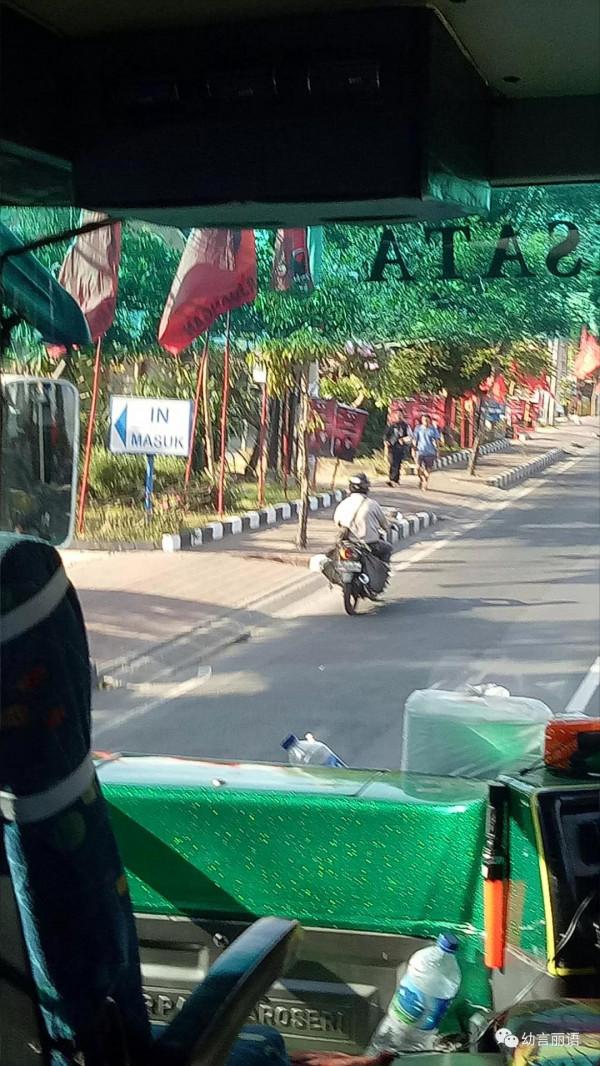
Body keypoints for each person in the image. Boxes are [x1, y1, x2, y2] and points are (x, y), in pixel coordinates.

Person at [333, 472, 392, 561]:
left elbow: (337, 522)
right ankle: (382, 573)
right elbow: (384, 524)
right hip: (370, 544)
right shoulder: (372, 504)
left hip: (348, 543)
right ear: (366, 488)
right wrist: (388, 528)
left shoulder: (343, 504)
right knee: (387, 549)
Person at [412, 414, 441, 491]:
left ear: (429, 421)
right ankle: (421, 479)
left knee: (428, 471)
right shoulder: (418, 429)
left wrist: (437, 451)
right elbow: (415, 439)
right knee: (417, 468)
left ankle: (425, 483)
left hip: (430, 452)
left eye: (427, 420)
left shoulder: (433, 429)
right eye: (424, 420)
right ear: (421, 420)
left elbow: (437, 440)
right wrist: (413, 449)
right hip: (420, 451)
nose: (425, 421)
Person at [384, 412, 411, 486]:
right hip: (392, 447)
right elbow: (386, 435)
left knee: (398, 463)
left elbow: (409, 436)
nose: (399, 417)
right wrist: (386, 442)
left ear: (402, 416)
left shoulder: (405, 426)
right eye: (397, 416)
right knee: (392, 462)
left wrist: (404, 439)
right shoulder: (392, 425)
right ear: (395, 417)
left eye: (400, 415)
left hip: (400, 447)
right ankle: (391, 479)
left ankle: (396, 479)